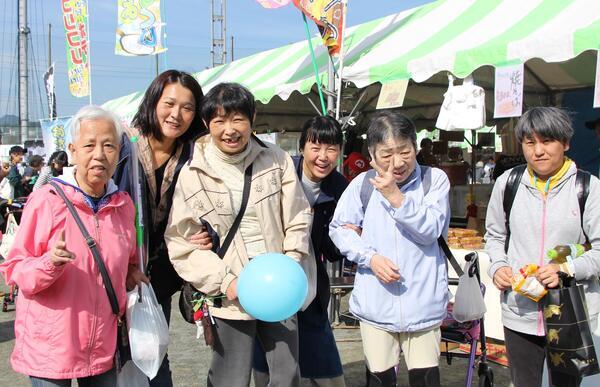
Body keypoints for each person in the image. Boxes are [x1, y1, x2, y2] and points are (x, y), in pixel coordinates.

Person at [165, 82, 313, 387]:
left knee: (285, 374)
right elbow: (182, 243)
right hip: (231, 291)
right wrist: (224, 281)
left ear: (253, 118)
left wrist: (292, 261)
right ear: (207, 124)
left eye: (237, 119)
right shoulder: (193, 174)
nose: (229, 129)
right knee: (229, 378)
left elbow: (298, 215)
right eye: (219, 121)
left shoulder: (276, 159)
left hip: (279, 287)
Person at [0, 105, 147, 386]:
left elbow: (125, 259)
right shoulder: (47, 200)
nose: (99, 155)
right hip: (52, 347)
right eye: (89, 145)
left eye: (109, 146)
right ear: (72, 150)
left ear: (119, 151)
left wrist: (129, 273)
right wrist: (49, 263)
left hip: (102, 342)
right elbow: (15, 268)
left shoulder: (123, 205)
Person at [329, 110, 450, 387]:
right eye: (386, 154)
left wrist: (395, 196)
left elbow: (430, 230)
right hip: (376, 307)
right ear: (371, 156)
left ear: (416, 148)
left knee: (426, 380)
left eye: (404, 151)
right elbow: (339, 228)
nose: (397, 162)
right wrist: (370, 258)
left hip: (423, 305)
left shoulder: (434, 180)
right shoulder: (362, 185)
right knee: (379, 380)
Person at [485, 107, 600, 387]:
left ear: (566, 143)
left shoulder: (588, 187)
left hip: (569, 312)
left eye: (547, 141)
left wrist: (566, 269)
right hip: (520, 310)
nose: (538, 151)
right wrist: (498, 266)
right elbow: (495, 236)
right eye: (530, 142)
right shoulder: (508, 183)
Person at [111, 69, 206, 387]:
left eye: (188, 107)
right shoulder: (123, 147)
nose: (176, 114)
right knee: (108, 357)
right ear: (153, 102)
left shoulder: (194, 154)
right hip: (114, 272)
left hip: (157, 277)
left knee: (152, 352)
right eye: (169, 103)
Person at [253, 115, 348, 386]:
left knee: (324, 364)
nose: (323, 156)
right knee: (271, 364)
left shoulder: (340, 188)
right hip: (270, 281)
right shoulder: (281, 175)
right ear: (302, 147)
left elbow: (331, 251)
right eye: (315, 147)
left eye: (331, 149)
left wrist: (350, 236)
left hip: (309, 285)